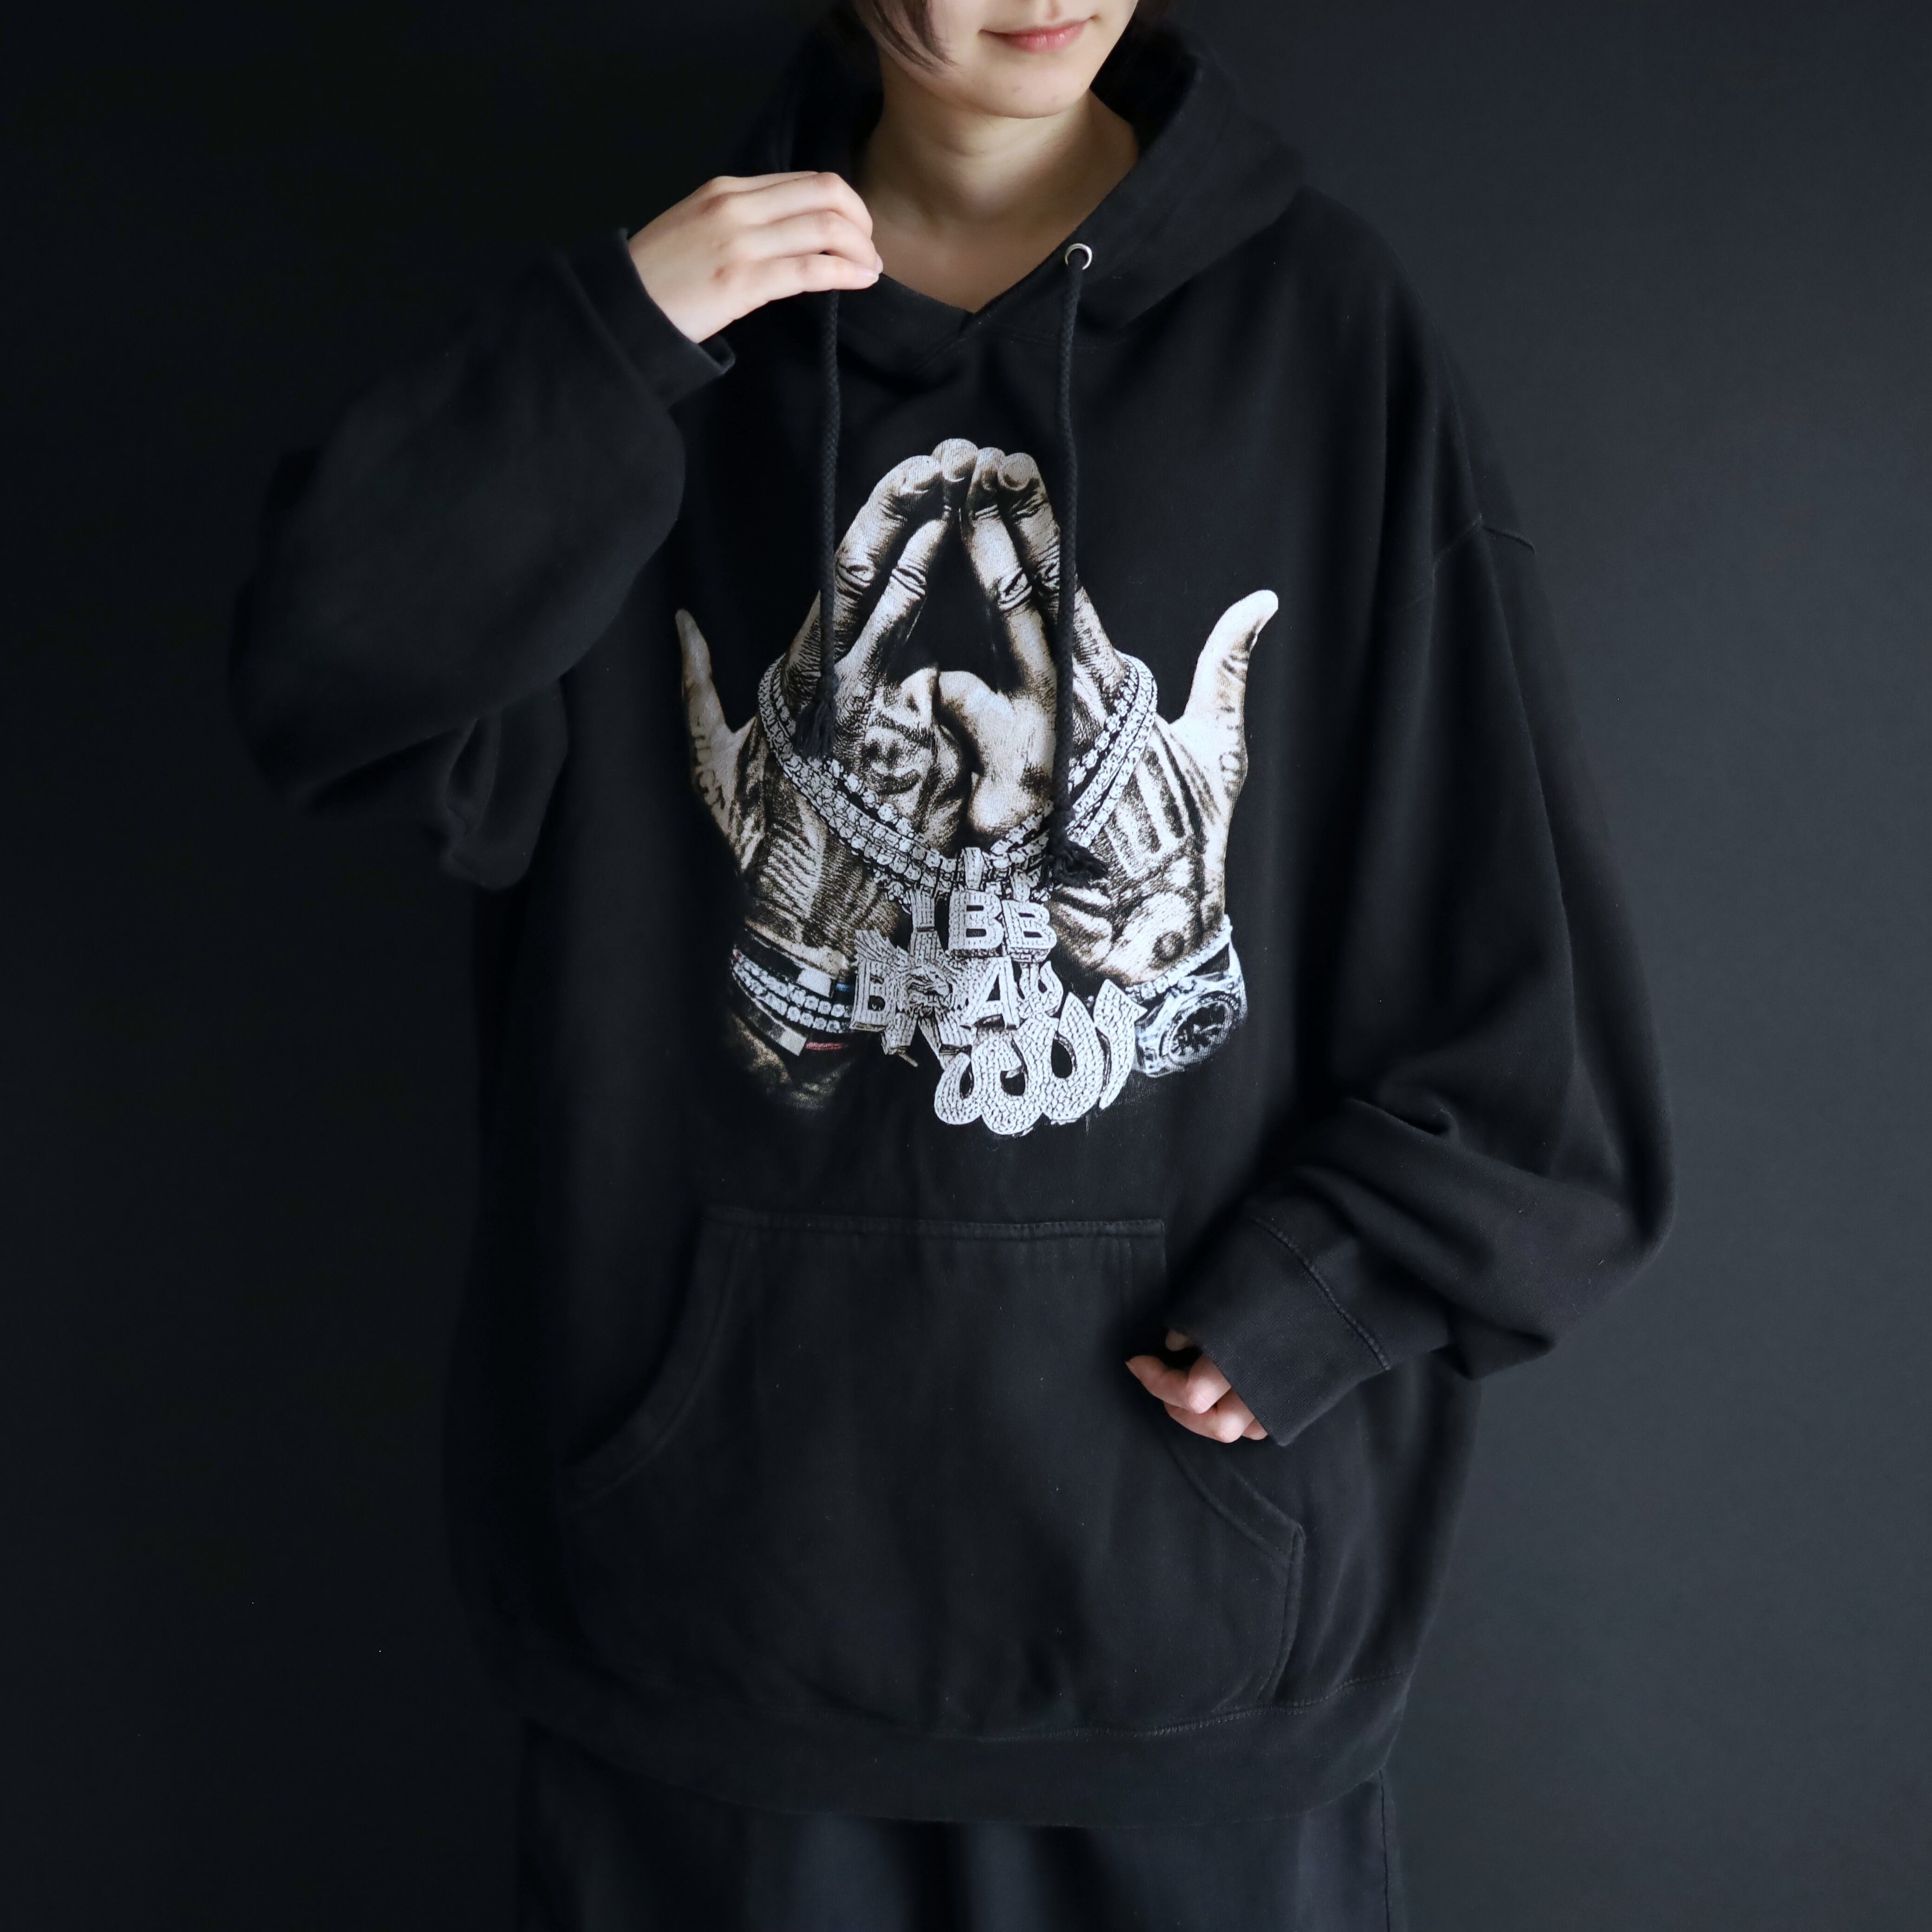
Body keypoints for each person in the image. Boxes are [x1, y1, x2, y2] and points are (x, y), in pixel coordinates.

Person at [231, 1, 1673, 1925]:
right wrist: (613, 342)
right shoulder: (666, 344)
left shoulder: (1327, 334)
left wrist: (1330, 1292)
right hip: (707, 1649)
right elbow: (327, 681)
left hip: (1190, 1662)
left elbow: (1529, 1020)